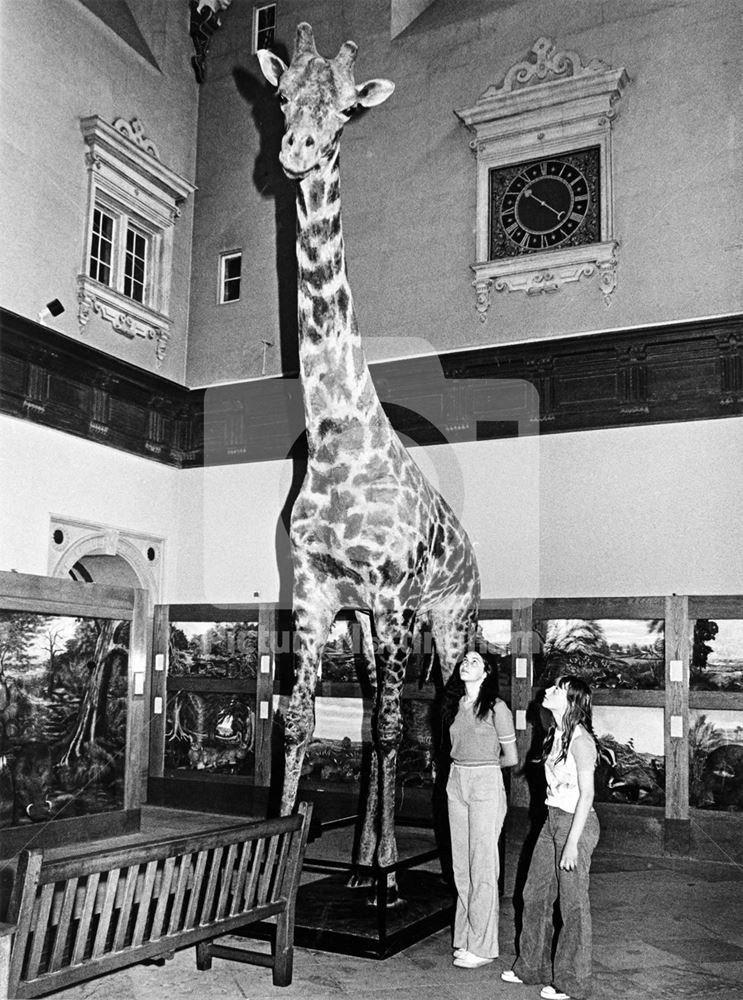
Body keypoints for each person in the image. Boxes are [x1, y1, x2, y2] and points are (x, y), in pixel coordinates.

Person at [501, 675, 601, 1000]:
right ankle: (532, 967)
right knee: (535, 893)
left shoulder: (581, 741)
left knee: (572, 905)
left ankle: (572, 982)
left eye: (558, 689)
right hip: (553, 819)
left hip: (577, 825)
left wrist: (571, 843)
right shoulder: (555, 734)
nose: (548, 691)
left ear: (571, 701)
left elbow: (587, 796)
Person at [442, 650, 518, 969]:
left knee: (482, 864)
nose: (466, 665)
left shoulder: (497, 708)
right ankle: (466, 937)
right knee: (462, 865)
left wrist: (484, 769)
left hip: (486, 780)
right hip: (455, 779)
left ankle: (484, 947)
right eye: (464, 661)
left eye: (474, 662)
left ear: (486, 673)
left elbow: (511, 758)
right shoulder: (454, 706)